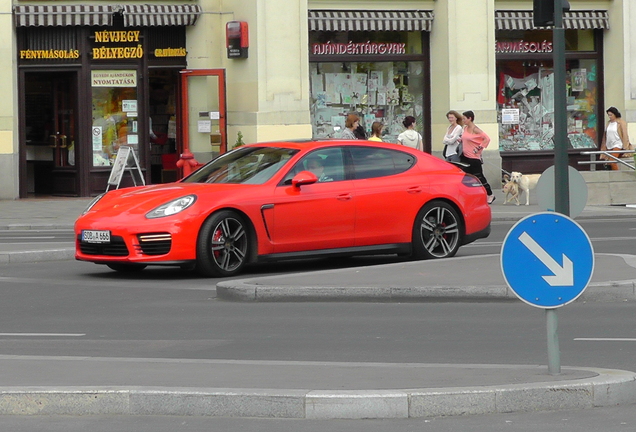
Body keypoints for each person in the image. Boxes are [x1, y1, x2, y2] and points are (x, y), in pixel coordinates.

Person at [460, 110, 495, 204]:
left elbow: (486, 138)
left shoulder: (475, 129)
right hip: (465, 156)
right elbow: (465, 139)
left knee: (479, 176)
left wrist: (479, 148)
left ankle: (490, 194)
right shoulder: (465, 128)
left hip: (474, 157)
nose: (463, 120)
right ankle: (472, 195)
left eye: (464, 118)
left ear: (469, 118)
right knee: (467, 178)